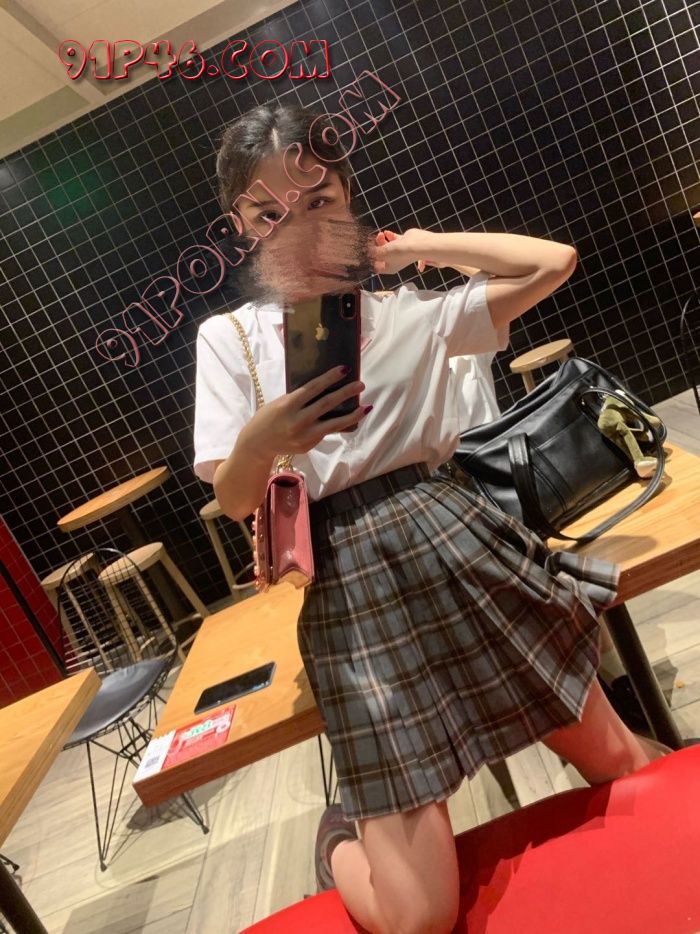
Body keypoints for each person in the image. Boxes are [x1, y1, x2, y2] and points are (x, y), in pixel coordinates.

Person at [193, 103, 669, 934]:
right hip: (351, 591)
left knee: (623, 763)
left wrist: (419, 246)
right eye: (269, 213)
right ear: (238, 224)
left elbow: (553, 262)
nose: (297, 229)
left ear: (348, 199)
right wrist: (265, 440)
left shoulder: (405, 312)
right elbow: (235, 500)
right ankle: (340, 841)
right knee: (418, 918)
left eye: (318, 202)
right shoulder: (228, 340)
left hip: (458, 541)